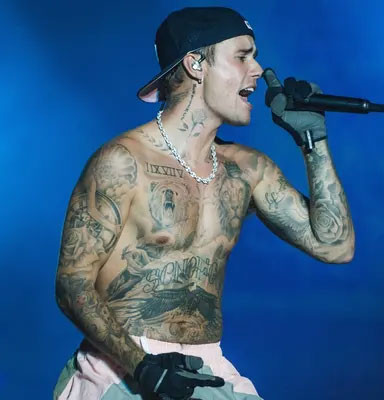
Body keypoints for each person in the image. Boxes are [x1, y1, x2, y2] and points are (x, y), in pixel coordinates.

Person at [53, 6, 355, 400]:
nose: (258, 70)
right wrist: (143, 367)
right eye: (242, 56)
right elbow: (72, 283)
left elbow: (335, 247)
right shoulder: (124, 161)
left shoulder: (246, 169)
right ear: (196, 64)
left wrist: (313, 141)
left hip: (203, 366)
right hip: (120, 367)